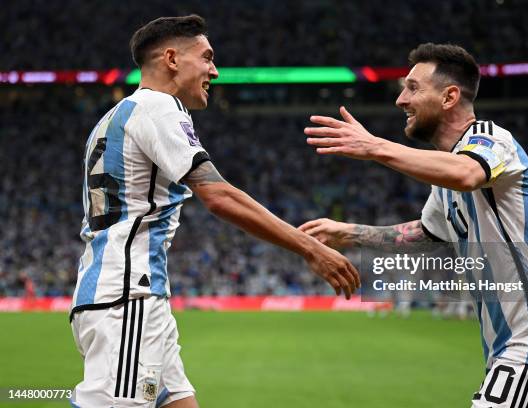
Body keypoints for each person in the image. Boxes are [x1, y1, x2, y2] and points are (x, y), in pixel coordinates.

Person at [69, 15, 359, 408]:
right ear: (171, 59)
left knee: (178, 401)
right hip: (126, 301)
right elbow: (219, 196)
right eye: (206, 58)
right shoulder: (159, 107)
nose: (215, 70)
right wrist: (309, 247)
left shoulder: (112, 118)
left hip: (126, 296)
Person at [300, 43, 528, 407]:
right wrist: (348, 232)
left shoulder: (491, 140)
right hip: (518, 342)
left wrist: (374, 146)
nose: (400, 100)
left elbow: (469, 174)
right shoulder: (446, 175)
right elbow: (426, 235)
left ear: (450, 96)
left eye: (413, 87)